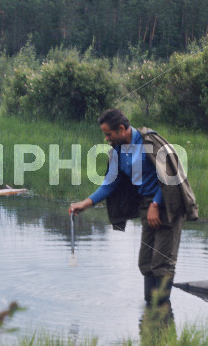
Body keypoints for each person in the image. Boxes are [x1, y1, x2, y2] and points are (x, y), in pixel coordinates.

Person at [68, 108, 197, 317]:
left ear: (121, 129)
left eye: (108, 134)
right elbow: (110, 183)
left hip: (167, 204)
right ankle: (150, 313)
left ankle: (162, 314)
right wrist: (86, 203)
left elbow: (170, 176)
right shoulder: (118, 151)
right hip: (147, 208)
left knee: (162, 263)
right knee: (146, 262)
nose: (106, 138)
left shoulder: (150, 143)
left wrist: (156, 204)